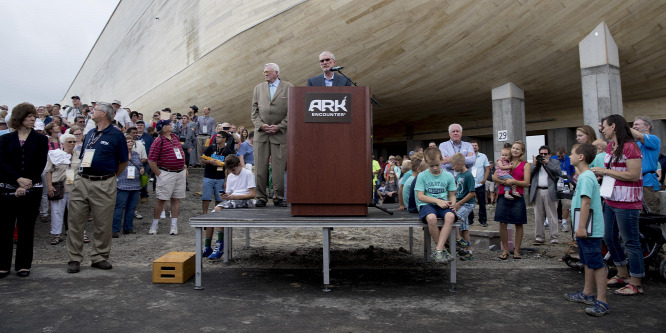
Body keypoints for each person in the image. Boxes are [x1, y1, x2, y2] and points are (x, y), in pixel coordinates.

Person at [66, 102, 128, 274]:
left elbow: (124, 161)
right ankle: (74, 258)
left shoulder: (117, 135)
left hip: (104, 183)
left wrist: (111, 176)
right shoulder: (91, 133)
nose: (91, 112)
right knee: (75, 222)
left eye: (95, 110)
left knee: (103, 223)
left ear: (104, 114)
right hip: (82, 181)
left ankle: (99, 257)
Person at [591, 114, 644, 295]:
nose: (602, 130)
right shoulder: (611, 147)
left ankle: (636, 282)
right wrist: (603, 175)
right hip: (611, 198)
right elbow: (615, 171)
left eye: (604, 126)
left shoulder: (630, 147)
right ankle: (622, 274)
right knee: (610, 238)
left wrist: (605, 171)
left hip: (627, 201)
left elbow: (634, 175)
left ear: (613, 127)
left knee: (631, 241)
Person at [0, 103, 48, 278]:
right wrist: (17, 180)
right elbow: (1, 163)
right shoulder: (5, 139)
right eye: (29, 116)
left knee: (26, 228)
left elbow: (39, 163)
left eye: (34, 116)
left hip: (31, 190)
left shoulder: (42, 140)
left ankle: (23, 264)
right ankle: (3, 264)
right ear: (19, 117)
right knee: (4, 228)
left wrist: (24, 184)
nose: (33, 119)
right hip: (7, 190)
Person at [564, 143, 609, 317]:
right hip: (586, 229)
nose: (569, 156)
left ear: (581, 157)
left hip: (589, 230)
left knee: (596, 264)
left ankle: (602, 301)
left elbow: (586, 203)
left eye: (572, 153)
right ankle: (588, 293)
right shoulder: (586, 176)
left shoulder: (585, 177)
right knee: (588, 262)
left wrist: (581, 227)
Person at [251, 62, 292, 207]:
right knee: (260, 168)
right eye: (264, 72)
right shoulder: (258, 88)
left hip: (279, 134)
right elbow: (254, 111)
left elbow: (292, 111)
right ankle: (260, 197)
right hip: (261, 134)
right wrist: (260, 125)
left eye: (268, 72)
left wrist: (279, 126)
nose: (265, 74)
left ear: (276, 72)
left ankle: (278, 197)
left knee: (279, 168)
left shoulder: (288, 88)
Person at [414, 147, 457, 263]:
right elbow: (420, 196)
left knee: (450, 216)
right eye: (431, 165)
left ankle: (438, 250)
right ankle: (442, 250)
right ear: (426, 163)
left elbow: (452, 194)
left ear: (442, 160)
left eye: (437, 165)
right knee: (431, 218)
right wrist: (437, 201)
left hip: (443, 203)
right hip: (427, 203)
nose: (435, 168)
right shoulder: (422, 176)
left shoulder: (448, 176)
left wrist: (453, 204)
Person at [148, 120, 188, 235]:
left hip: (179, 172)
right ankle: (154, 225)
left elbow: (181, 153)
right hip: (166, 173)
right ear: (163, 128)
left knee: (176, 198)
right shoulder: (158, 141)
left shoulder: (174, 137)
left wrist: (184, 166)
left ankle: (174, 225)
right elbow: (151, 160)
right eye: (168, 125)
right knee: (161, 199)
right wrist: (159, 174)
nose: (171, 126)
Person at [493, 140, 530, 260]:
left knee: (518, 223)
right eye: (513, 148)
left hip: (518, 196)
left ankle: (517, 251)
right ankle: (505, 249)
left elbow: (527, 183)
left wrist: (514, 182)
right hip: (503, 194)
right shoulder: (504, 161)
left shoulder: (525, 164)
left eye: (517, 149)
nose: (514, 150)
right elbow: (494, 177)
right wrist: (504, 182)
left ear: (522, 152)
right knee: (502, 222)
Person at [200, 131, 234, 260]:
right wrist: (210, 162)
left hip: (220, 178)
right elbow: (202, 159)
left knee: (219, 201)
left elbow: (230, 166)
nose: (216, 138)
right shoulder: (211, 148)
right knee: (206, 197)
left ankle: (217, 216)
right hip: (208, 176)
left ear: (224, 139)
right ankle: (205, 216)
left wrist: (226, 179)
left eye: (219, 137)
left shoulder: (228, 150)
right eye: (216, 137)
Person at [46, 133, 80, 245]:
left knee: (76, 212)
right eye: (69, 142)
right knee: (57, 211)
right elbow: (48, 171)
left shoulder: (79, 155)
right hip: (59, 187)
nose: (72, 144)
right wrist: (50, 186)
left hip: (74, 187)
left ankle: (76, 233)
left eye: (74, 142)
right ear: (62, 143)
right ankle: (56, 234)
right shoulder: (54, 155)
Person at [112, 134, 144, 237]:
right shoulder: (118, 154)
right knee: (119, 207)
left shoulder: (135, 154)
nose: (130, 143)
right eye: (127, 141)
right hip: (122, 184)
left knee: (131, 207)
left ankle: (128, 228)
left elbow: (140, 165)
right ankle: (114, 229)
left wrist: (141, 169)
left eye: (131, 141)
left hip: (135, 184)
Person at [529, 146, 561, 244]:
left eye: (545, 154)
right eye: (541, 154)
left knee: (552, 215)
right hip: (537, 191)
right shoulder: (534, 164)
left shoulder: (554, 162)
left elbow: (558, 172)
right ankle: (539, 237)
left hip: (549, 191)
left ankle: (554, 238)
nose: (543, 156)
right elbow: (528, 175)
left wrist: (547, 163)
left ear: (549, 155)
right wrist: (535, 165)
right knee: (538, 216)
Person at [631, 116, 661, 213]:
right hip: (635, 183)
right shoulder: (634, 143)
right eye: (633, 124)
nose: (634, 126)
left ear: (647, 127)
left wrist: (624, 127)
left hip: (648, 184)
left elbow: (640, 136)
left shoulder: (654, 139)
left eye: (637, 124)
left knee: (650, 216)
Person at [451, 153, 475, 261]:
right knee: (464, 228)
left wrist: (459, 204)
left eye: (453, 165)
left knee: (454, 219)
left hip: (467, 204)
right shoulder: (459, 174)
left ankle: (458, 242)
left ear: (459, 164)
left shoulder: (468, 176)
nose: (452, 167)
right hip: (460, 203)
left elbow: (472, 193)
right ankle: (468, 251)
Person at [552, 146, 575, 232]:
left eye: (562, 156)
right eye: (558, 156)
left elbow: (572, 172)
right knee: (554, 201)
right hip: (556, 182)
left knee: (566, 203)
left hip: (566, 182)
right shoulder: (552, 159)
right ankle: (550, 221)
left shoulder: (569, 159)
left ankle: (564, 222)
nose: (560, 158)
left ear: (565, 153)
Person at [467, 140, 490, 227]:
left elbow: (487, 168)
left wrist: (485, 179)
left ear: (478, 147)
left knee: (482, 203)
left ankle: (483, 220)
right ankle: (470, 220)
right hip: (470, 184)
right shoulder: (466, 156)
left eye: (476, 145)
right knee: (469, 203)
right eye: (472, 145)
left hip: (480, 183)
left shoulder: (483, 156)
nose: (474, 147)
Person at [135, 120, 154, 203]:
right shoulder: (132, 136)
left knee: (144, 178)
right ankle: (134, 194)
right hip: (133, 162)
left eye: (141, 125)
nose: (139, 126)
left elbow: (152, 149)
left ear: (144, 127)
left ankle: (144, 194)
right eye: (138, 125)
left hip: (145, 161)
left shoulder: (149, 137)